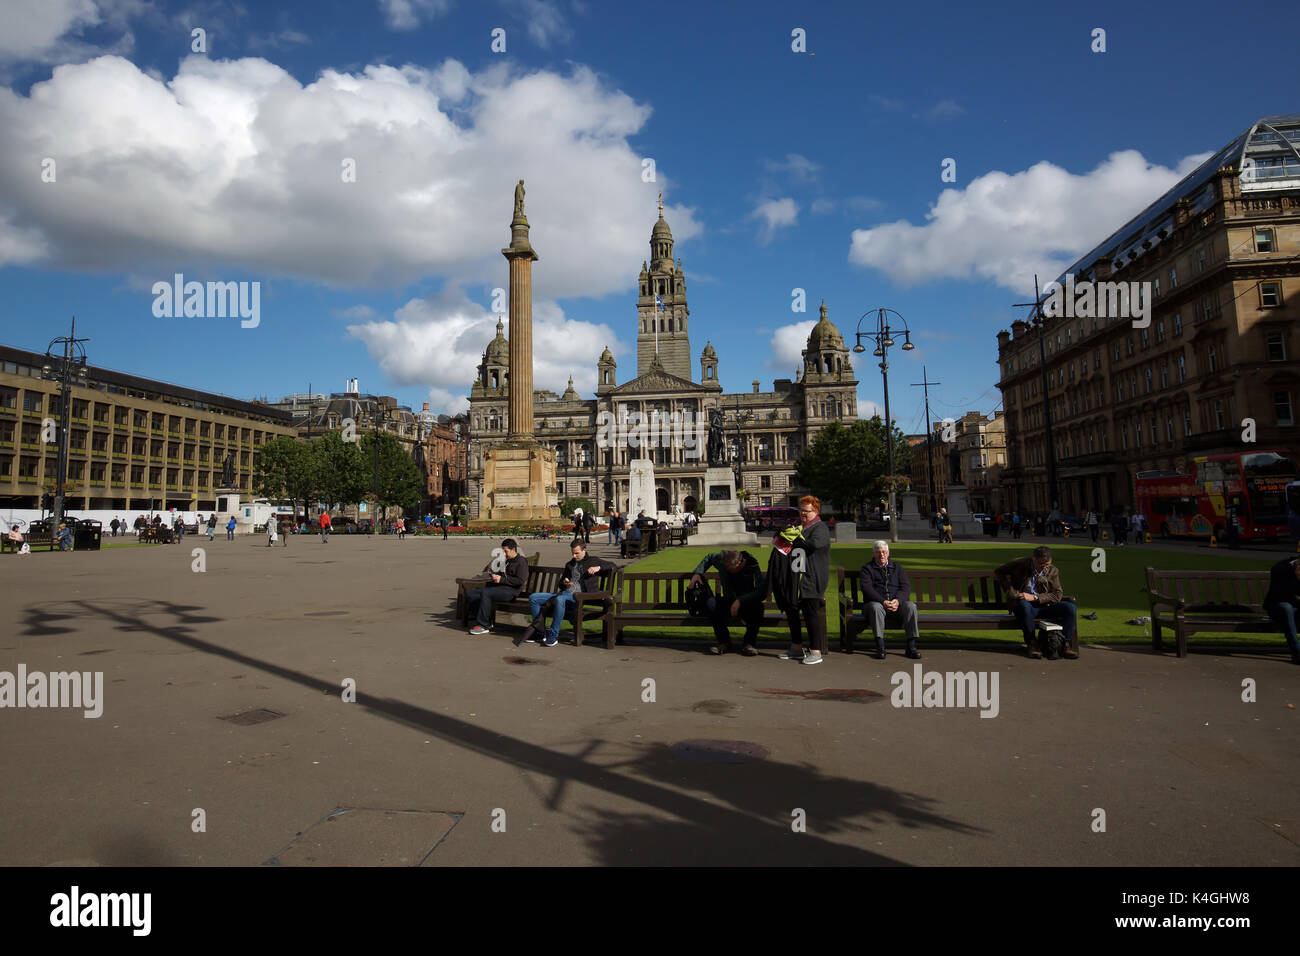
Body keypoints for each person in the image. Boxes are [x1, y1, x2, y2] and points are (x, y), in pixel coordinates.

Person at [521, 540, 617, 647]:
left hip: (579, 597)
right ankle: (539, 632)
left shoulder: (593, 561)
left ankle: (553, 636)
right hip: (564, 594)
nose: (574, 556)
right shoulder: (569, 565)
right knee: (533, 597)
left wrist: (598, 568)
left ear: (584, 550)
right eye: (572, 553)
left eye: (577, 553)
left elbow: (614, 565)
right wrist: (565, 582)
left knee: (559, 599)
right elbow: (561, 585)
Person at [995, 545, 1077, 660]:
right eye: (1041, 564)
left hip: (1043, 605)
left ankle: (1065, 644)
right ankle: (1032, 644)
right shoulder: (1021, 564)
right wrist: (1011, 592)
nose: (1044, 567)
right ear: (1033, 558)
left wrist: (1034, 597)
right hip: (1023, 606)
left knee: (1070, 608)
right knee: (1024, 606)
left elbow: (1057, 595)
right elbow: (999, 571)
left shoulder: (1052, 571)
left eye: (1047, 564)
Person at [777, 495, 831, 665]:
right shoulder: (799, 526)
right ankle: (796, 647)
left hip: (812, 577)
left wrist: (795, 539)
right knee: (792, 612)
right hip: (795, 577)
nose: (802, 513)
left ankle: (816, 651)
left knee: (810, 614)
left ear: (815, 511)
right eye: (800, 510)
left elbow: (814, 545)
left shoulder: (820, 528)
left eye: (806, 511)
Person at [690, 548, 767, 655]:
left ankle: (748, 644)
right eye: (725, 566)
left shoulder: (752, 565)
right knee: (711, 604)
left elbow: (761, 592)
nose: (726, 569)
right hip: (729, 600)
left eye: (729, 567)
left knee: (758, 608)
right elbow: (710, 557)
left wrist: (740, 601)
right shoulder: (723, 561)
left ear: (739, 563)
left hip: (747, 602)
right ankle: (724, 642)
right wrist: (697, 573)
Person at [859, 540, 921, 660]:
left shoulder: (898, 568)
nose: (881, 555)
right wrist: (883, 601)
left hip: (896, 605)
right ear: (874, 554)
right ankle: (880, 646)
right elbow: (867, 589)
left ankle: (911, 645)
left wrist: (897, 601)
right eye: (878, 552)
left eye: (884, 552)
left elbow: (906, 587)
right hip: (875, 605)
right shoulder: (867, 569)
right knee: (876, 607)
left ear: (888, 553)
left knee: (911, 606)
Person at [466, 539, 529, 635]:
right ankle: (487, 621)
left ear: (513, 550)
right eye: (503, 551)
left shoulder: (521, 562)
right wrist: (493, 574)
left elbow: (520, 581)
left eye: (506, 551)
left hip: (511, 591)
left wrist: (501, 579)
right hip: (499, 588)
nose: (504, 553)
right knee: (471, 594)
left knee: (486, 593)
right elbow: (501, 573)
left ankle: (483, 625)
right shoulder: (506, 560)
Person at [1262, 555, 1300, 665]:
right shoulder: (1280, 569)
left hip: (1295, 609)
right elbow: (1278, 595)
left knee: (1289, 610)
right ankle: (1297, 651)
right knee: (1286, 608)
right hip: (1276, 608)